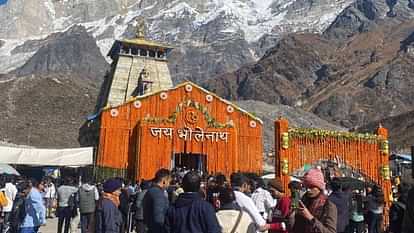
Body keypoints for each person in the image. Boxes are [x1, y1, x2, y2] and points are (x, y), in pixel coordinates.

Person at [292, 168, 337, 233]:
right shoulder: (303, 201)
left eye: (311, 187)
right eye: (306, 187)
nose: (308, 190)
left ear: (319, 187)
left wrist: (310, 218)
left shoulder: (328, 206)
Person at [143, 169, 171, 233]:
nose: (169, 184)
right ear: (164, 181)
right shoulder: (158, 194)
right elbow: (159, 219)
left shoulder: (150, 190)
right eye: (169, 182)